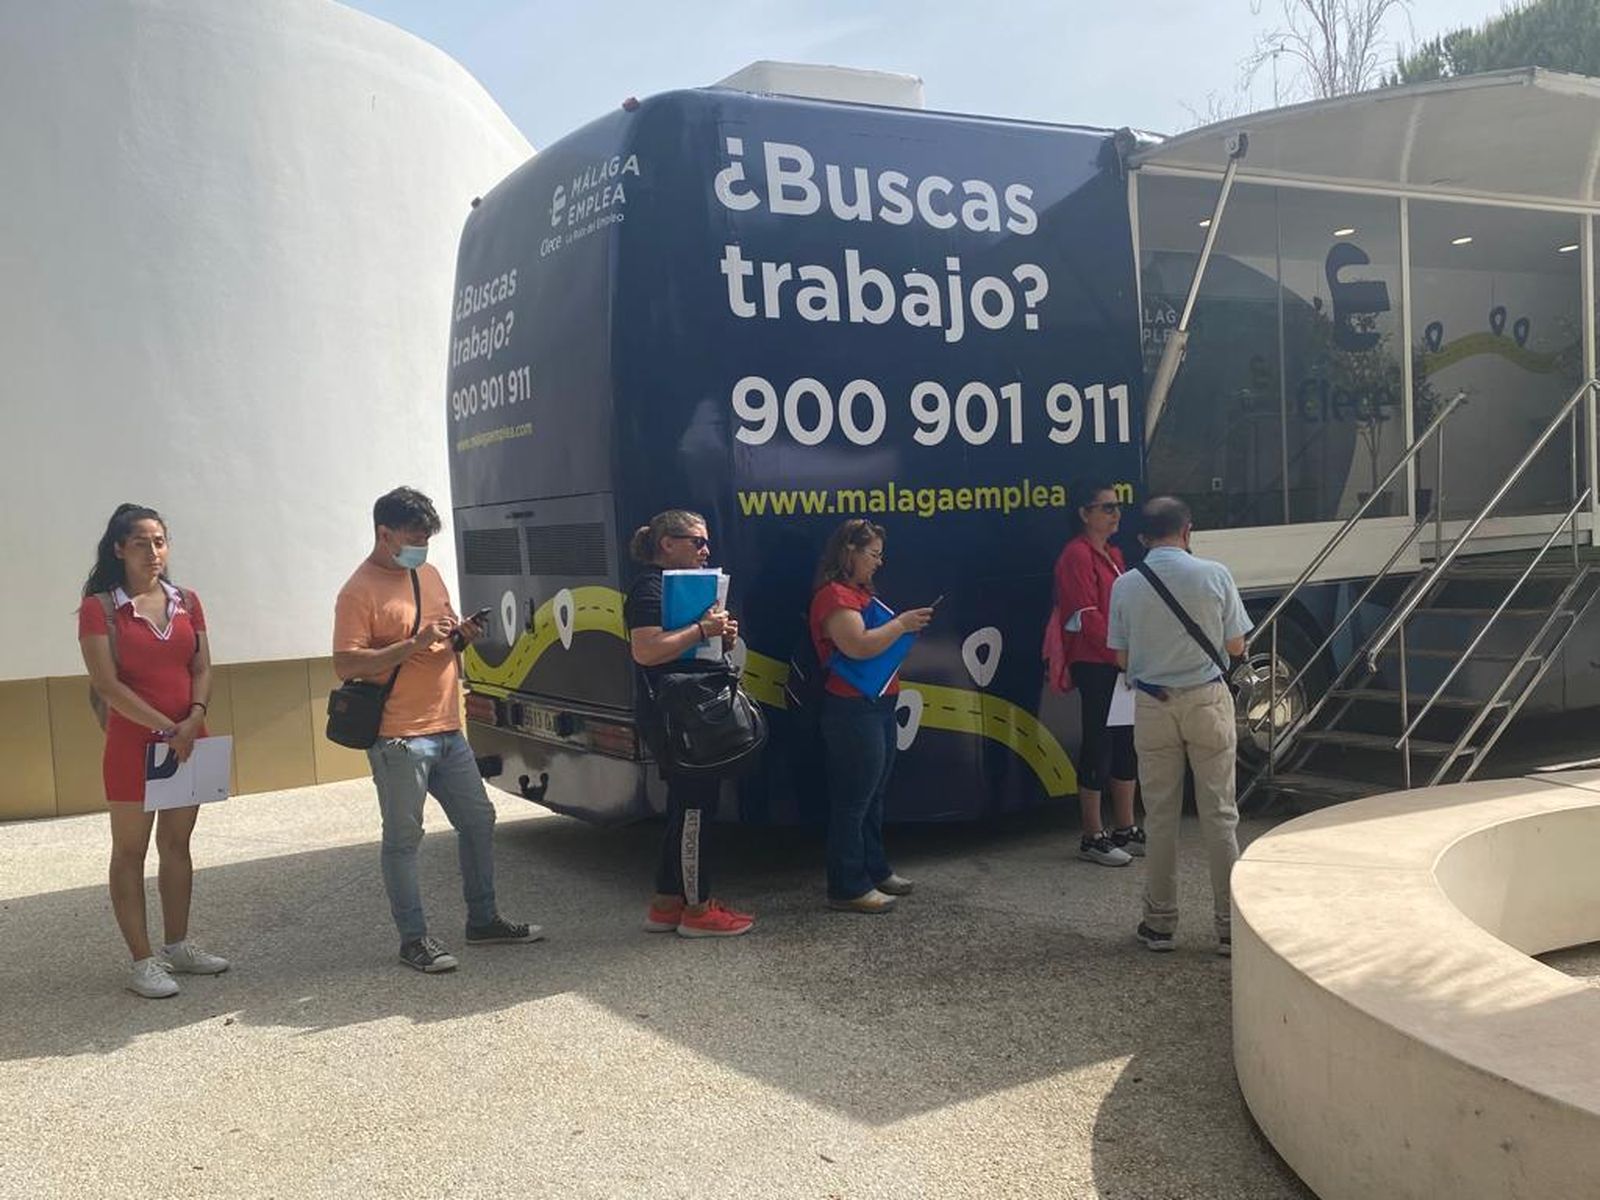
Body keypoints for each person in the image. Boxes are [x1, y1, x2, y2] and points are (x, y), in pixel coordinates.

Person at [333, 486, 538, 973]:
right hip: (398, 737)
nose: (421, 546)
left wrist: (461, 637)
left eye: (426, 537)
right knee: (404, 839)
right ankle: (414, 939)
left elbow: (441, 640)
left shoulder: (427, 573)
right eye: (413, 537)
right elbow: (346, 663)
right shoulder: (358, 591)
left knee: (479, 820)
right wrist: (412, 643)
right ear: (384, 534)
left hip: (448, 727)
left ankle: (483, 921)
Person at [78, 504, 229, 999]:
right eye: (141, 543)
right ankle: (143, 961)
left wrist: (194, 718)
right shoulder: (100, 609)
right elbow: (108, 684)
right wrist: (168, 729)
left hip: (188, 739)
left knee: (177, 845)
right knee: (129, 851)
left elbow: (201, 666)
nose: (153, 552)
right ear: (119, 548)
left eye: (159, 541)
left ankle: (178, 945)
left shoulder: (188, 601)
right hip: (135, 745)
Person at [1106, 496, 1250, 956]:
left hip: (1153, 705)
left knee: (1160, 816)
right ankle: (1230, 929)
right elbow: (1236, 646)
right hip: (1207, 700)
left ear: (1142, 538)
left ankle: (1160, 924)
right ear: (1187, 531)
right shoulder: (1215, 574)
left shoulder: (1125, 585)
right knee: (1220, 815)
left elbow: (1121, 657)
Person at [625, 510, 755, 937]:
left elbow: (690, 648)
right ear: (667, 544)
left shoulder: (686, 585)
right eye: (697, 542)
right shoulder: (649, 587)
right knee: (697, 810)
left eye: (706, 542)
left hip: (692, 710)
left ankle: (666, 904)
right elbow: (646, 650)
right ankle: (698, 911)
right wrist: (702, 629)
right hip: (676, 716)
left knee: (685, 806)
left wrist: (721, 636)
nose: (706, 550)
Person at [809, 519, 933, 913]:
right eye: (873, 554)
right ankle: (847, 886)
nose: (879, 562)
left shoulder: (859, 593)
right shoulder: (833, 596)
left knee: (873, 795)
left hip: (879, 703)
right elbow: (857, 646)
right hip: (851, 708)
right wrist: (901, 625)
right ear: (850, 551)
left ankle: (875, 869)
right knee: (853, 800)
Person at [1047, 481, 1143, 867]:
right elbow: (1085, 616)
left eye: (1117, 506)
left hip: (1121, 660)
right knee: (1098, 743)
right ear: (1084, 514)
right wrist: (1121, 655)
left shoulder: (1114, 554)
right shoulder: (1076, 555)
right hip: (1095, 662)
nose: (1116, 514)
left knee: (1125, 741)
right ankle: (1092, 834)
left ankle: (1125, 826)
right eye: (1106, 507)